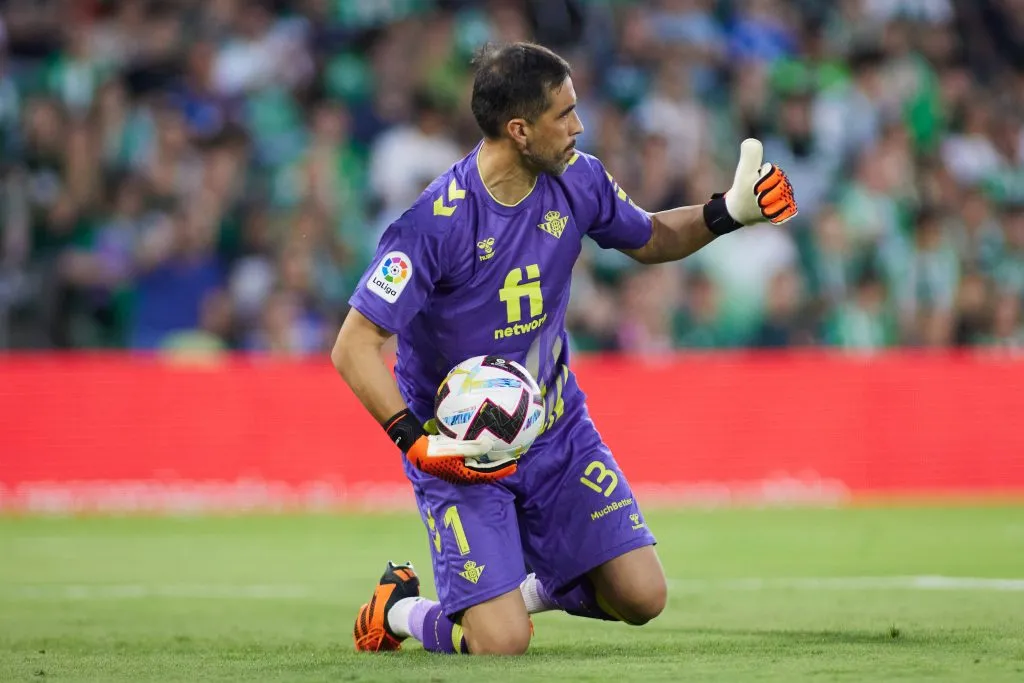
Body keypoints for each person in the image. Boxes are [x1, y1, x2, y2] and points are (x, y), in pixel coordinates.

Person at [332, 42, 797, 656]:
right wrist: (418, 444)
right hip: (463, 450)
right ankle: (400, 609)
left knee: (642, 597)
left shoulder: (580, 178)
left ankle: (512, 594)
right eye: (565, 113)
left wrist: (728, 212)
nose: (580, 126)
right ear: (520, 130)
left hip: (555, 430)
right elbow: (354, 346)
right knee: (501, 645)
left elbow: (651, 238)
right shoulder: (433, 224)